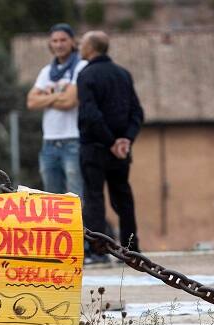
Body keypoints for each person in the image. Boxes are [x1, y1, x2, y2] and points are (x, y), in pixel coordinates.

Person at [77, 31, 144, 258]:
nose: (79, 46)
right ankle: (131, 248)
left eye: (83, 43)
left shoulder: (87, 75)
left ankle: (98, 249)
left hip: (95, 147)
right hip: (121, 150)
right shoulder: (123, 74)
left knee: (94, 197)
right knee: (123, 197)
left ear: (92, 48)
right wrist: (126, 140)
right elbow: (137, 112)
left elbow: (90, 114)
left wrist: (110, 141)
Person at [26, 23, 87, 197]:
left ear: (72, 42)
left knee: (76, 198)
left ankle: (79, 226)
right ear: (50, 44)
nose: (59, 44)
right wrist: (58, 95)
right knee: (51, 199)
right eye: (54, 41)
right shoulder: (46, 72)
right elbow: (30, 102)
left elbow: (70, 101)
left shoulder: (81, 67)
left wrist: (46, 95)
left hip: (73, 141)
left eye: (63, 40)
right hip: (49, 143)